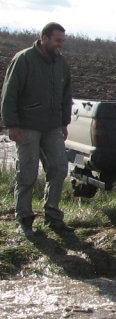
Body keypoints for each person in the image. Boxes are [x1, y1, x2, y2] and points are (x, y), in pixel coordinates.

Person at [1, 22, 74, 236]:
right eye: (57, 40)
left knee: (59, 168)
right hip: (27, 126)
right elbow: (9, 93)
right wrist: (12, 125)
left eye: (63, 41)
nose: (60, 45)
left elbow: (66, 95)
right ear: (44, 39)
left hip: (52, 127)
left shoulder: (61, 63)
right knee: (27, 172)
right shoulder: (24, 59)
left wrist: (64, 122)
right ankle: (24, 218)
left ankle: (53, 216)